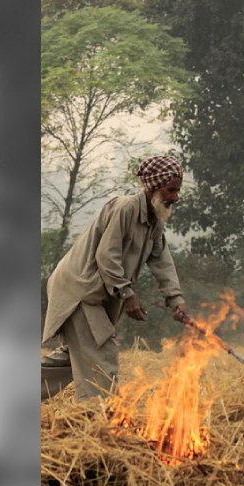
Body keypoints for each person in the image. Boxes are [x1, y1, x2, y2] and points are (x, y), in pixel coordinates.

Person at [41, 156, 190, 401]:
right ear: (153, 187)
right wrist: (127, 294)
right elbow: (106, 255)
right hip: (80, 290)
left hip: (93, 293)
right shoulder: (125, 208)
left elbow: (161, 260)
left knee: (78, 358)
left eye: (177, 191)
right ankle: (98, 414)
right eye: (170, 190)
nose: (175, 197)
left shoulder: (155, 218)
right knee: (101, 351)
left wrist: (176, 300)